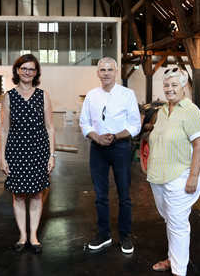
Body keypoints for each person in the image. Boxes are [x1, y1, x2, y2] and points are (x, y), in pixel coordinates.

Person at [147, 68, 200, 276]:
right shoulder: (163, 111)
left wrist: (193, 175)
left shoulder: (190, 110)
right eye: (166, 85)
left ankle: (179, 270)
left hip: (182, 175)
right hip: (161, 176)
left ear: (184, 87)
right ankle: (174, 259)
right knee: (170, 220)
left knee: (178, 223)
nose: (169, 89)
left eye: (174, 85)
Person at [79, 57, 141, 254]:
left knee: (124, 195)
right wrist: (96, 137)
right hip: (98, 149)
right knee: (101, 196)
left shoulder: (127, 94)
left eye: (110, 70)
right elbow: (84, 123)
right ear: (98, 73)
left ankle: (125, 236)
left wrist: (115, 136)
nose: (106, 73)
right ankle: (104, 235)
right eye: (102, 70)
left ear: (116, 72)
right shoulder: (91, 95)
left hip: (121, 148)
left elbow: (135, 125)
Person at [0, 54, 56, 254]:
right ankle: (22, 236)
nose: (27, 72)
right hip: (16, 152)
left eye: (31, 69)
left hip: (39, 151)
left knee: (37, 194)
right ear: (17, 71)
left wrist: (51, 155)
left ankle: (33, 236)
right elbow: (4, 129)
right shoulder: (9, 96)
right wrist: (2, 156)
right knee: (19, 195)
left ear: (36, 73)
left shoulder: (43, 96)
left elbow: (50, 127)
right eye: (24, 68)